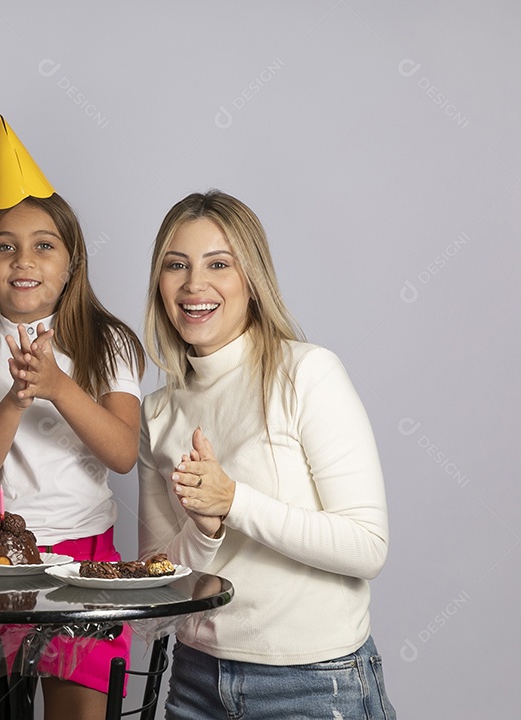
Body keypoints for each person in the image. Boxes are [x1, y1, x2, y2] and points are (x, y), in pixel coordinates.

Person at [137, 190, 396, 718]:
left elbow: (367, 547)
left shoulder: (306, 373)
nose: (194, 285)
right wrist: (204, 530)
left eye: (218, 264)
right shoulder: (157, 412)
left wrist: (234, 501)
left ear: (252, 281)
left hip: (314, 683)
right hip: (195, 681)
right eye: (176, 265)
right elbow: (161, 584)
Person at [0, 116, 145, 720]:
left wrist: (57, 384)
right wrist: (15, 398)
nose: (23, 260)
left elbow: (123, 453)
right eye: (5, 246)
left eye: (43, 245)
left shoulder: (110, 344)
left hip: (86, 562)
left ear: (71, 261)